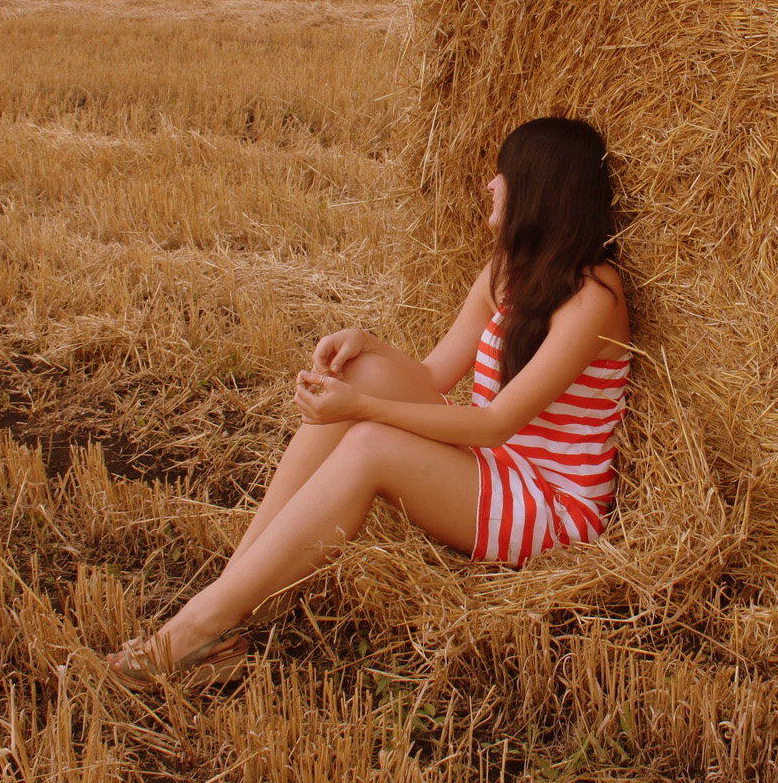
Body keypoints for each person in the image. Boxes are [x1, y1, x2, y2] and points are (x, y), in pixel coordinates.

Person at [107, 116, 631, 688]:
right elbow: (432, 374)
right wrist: (369, 344)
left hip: (550, 503)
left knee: (368, 444)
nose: (490, 184)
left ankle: (202, 624)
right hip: (496, 469)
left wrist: (359, 408)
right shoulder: (506, 273)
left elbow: (495, 422)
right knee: (365, 370)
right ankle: (221, 606)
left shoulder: (593, 299)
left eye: (503, 173)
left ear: (538, 186)